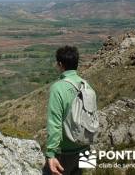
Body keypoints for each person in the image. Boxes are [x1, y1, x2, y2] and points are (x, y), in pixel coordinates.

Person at [43, 45, 95, 175]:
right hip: (85, 148)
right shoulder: (87, 85)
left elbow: (54, 123)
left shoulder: (58, 88)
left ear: (60, 64)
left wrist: (51, 154)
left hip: (65, 152)